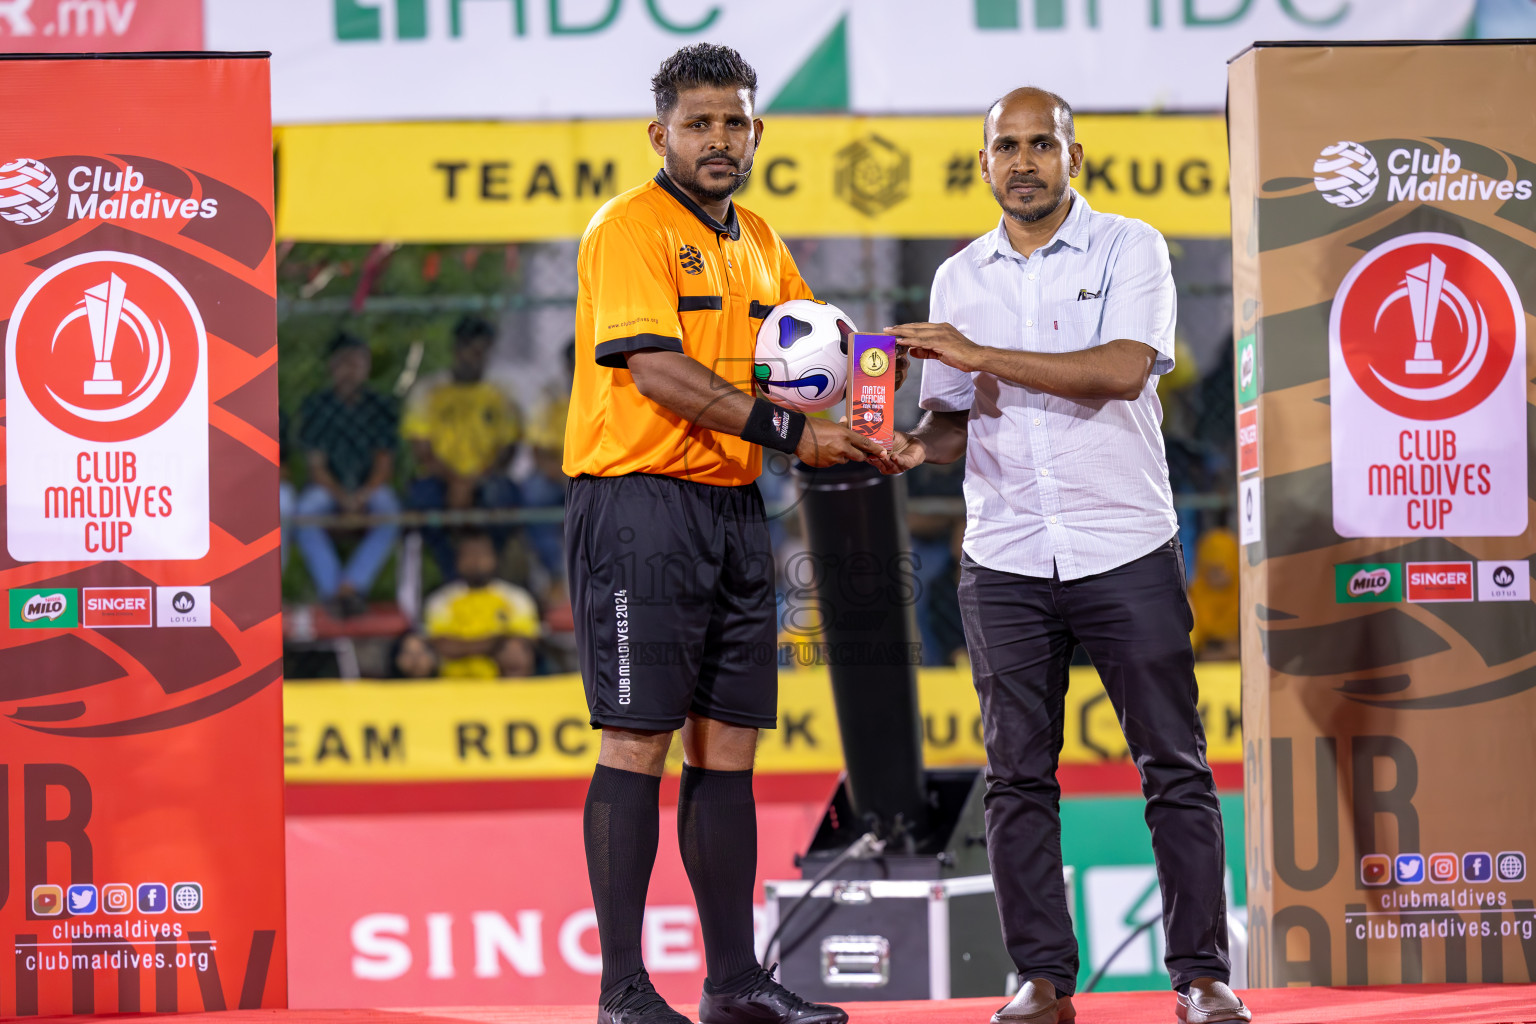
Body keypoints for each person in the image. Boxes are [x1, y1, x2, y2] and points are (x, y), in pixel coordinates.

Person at [879, 88, 1250, 1024]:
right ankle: (1041, 981)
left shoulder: (1133, 247)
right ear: (985, 165)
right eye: (1007, 145)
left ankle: (1202, 975)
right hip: (1004, 554)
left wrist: (978, 352)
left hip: (1123, 543)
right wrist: (918, 447)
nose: (1025, 161)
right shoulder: (958, 277)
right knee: (1015, 776)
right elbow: (956, 414)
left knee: (1173, 765)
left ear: (1073, 156)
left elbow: (1122, 370)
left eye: (1043, 143)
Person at [565, 43, 888, 1024]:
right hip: (637, 504)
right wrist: (797, 431)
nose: (717, 138)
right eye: (698, 123)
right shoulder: (629, 227)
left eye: (733, 122)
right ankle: (622, 990)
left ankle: (735, 983)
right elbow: (658, 372)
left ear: (756, 133)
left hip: (734, 508)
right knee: (637, 741)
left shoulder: (759, 241)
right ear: (659, 133)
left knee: (729, 746)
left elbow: (815, 356)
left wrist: (882, 375)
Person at [403, 313, 523, 579]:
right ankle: (453, 579)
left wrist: (476, 478)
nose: (475, 356)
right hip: (440, 477)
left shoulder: (501, 393)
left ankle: (489, 576)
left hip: (486, 477)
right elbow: (421, 449)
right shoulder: (429, 390)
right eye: (470, 349)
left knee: (503, 500)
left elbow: (509, 447)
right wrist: (456, 481)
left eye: (482, 350)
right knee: (423, 504)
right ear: (456, 349)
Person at [294, 331, 402, 617]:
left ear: (367, 366)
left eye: (357, 362)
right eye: (344, 362)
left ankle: (351, 587)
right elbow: (316, 467)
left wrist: (363, 495)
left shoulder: (379, 407)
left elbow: (384, 463)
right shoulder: (317, 407)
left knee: (389, 510)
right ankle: (333, 592)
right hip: (329, 488)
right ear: (331, 366)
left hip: (371, 485)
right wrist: (343, 497)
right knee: (305, 511)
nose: (350, 369)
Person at [423, 530, 541, 679]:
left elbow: (525, 643)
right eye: (469, 555)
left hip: (502, 684)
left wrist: (463, 645)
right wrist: (496, 642)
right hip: (452, 684)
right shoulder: (441, 599)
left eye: (481, 554)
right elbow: (440, 645)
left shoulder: (516, 597)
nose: (476, 561)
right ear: (458, 560)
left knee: (515, 651)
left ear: (494, 558)